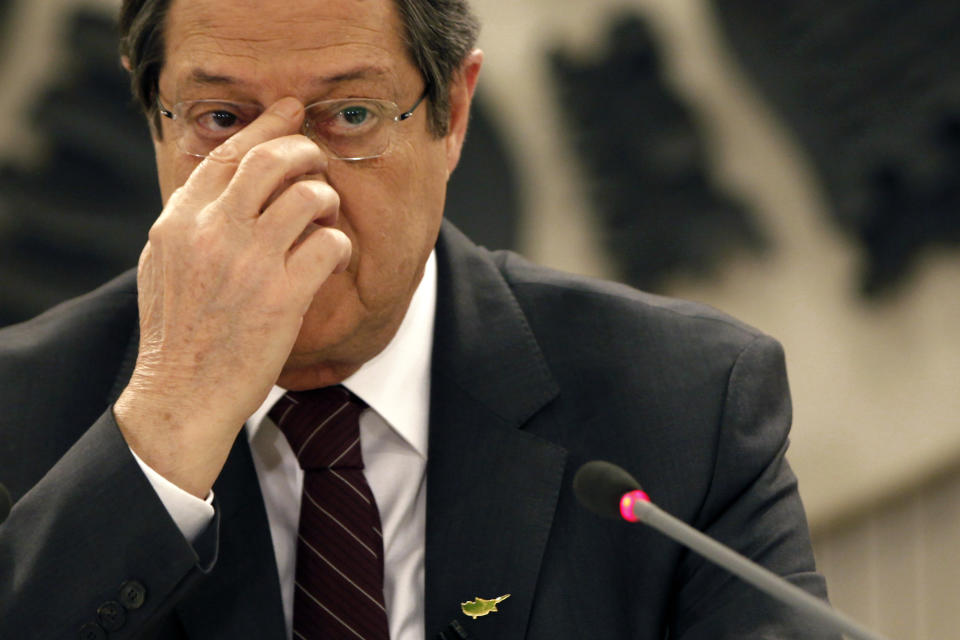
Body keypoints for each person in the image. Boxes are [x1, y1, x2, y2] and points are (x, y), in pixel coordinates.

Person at [0, 0, 838, 638]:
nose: (294, 185)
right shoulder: (18, 414)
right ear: (154, 121)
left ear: (454, 115)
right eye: (221, 120)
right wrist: (170, 418)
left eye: (351, 115)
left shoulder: (686, 404)